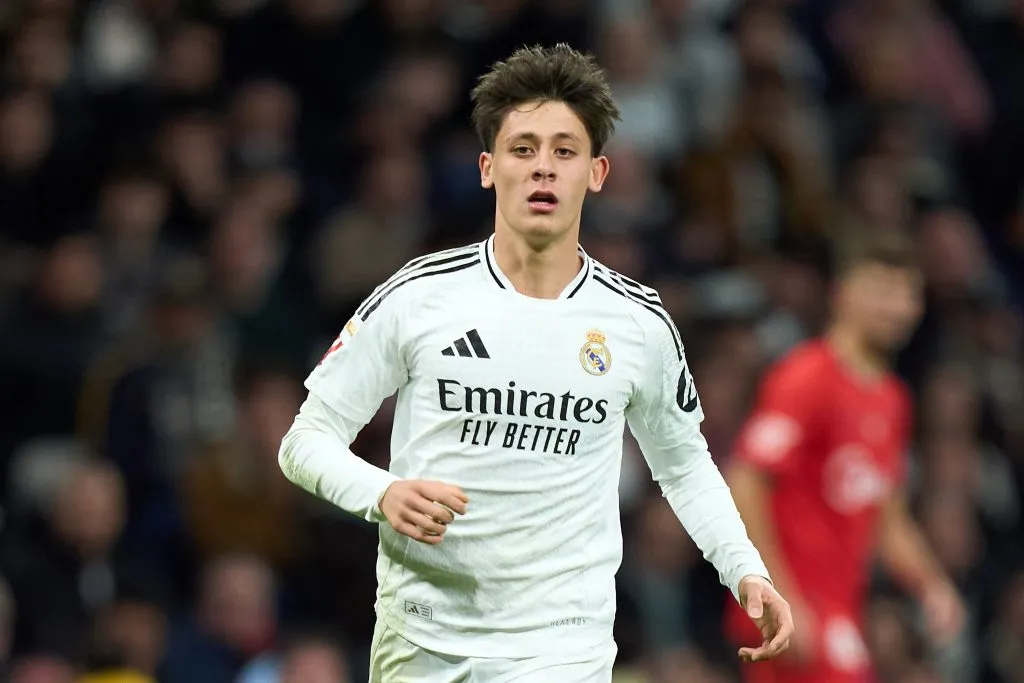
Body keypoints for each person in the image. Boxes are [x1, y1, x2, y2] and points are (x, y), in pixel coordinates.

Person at [279, 44, 793, 682]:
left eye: (564, 151)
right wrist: (381, 493)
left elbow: (685, 466)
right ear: (489, 168)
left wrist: (744, 567)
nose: (543, 169)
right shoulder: (420, 296)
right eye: (523, 150)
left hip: (562, 651)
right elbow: (304, 442)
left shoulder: (637, 323)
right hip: (423, 643)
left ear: (597, 173)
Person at [724, 230, 966, 683]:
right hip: (792, 607)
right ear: (843, 294)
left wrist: (932, 585)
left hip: (837, 608)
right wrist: (777, 593)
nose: (895, 306)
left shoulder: (891, 399)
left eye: (906, 292)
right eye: (881, 289)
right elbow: (744, 481)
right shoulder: (806, 377)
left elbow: (885, 516)